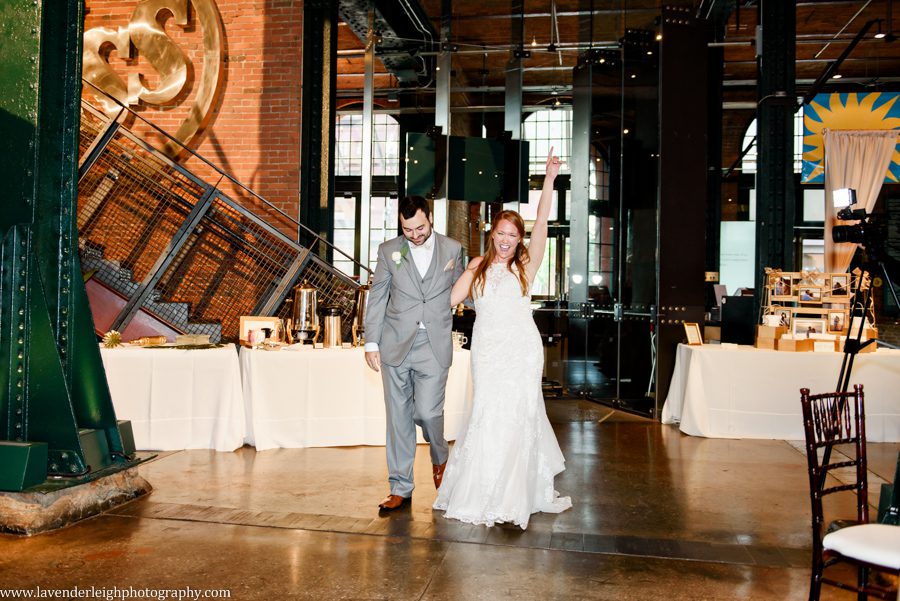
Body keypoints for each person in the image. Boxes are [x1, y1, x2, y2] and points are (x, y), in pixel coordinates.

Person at [433, 148, 572, 529]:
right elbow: (449, 300)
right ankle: (484, 489)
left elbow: (543, 219)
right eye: (501, 233)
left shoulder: (527, 264)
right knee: (488, 413)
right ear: (492, 235)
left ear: (520, 238)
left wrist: (549, 180)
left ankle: (516, 494)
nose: (507, 239)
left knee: (519, 415)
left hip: (522, 351)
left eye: (513, 234)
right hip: (489, 351)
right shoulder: (477, 266)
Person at [364, 196, 464, 512]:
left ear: (430, 218)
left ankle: (440, 456)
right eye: (408, 230)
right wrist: (371, 342)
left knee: (428, 413)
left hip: (433, 344)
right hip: (395, 344)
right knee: (398, 419)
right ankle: (400, 487)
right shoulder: (388, 251)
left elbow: (465, 288)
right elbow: (377, 297)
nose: (415, 235)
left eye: (420, 227)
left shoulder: (452, 249)